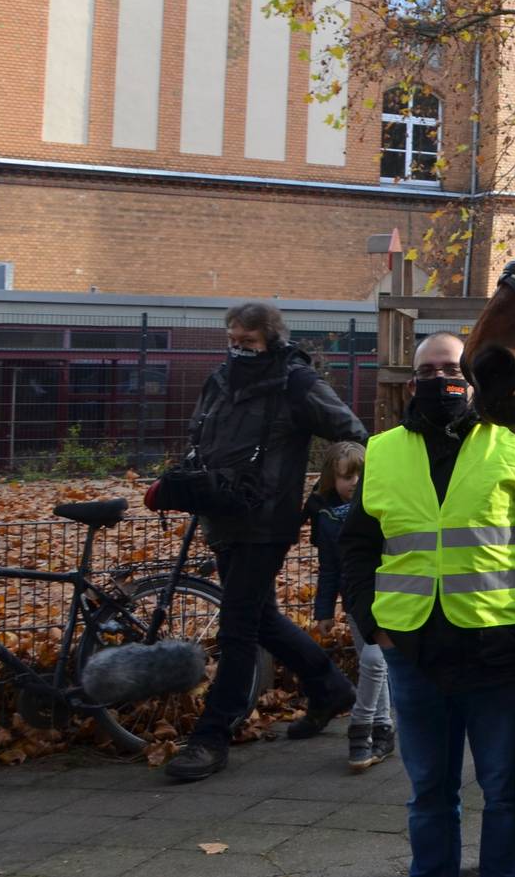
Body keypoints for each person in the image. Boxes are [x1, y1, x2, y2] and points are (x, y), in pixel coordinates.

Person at [340, 333, 515, 877]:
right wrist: (369, 619)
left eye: (451, 368)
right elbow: (356, 545)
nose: (438, 379)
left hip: (501, 650)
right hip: (414, 651)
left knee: (502, 793)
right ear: (412, 383)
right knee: (429, 793)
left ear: (472, 378)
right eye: (427, 371)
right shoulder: (381, 452)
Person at [165, 301, 368, 783]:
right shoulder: (218, 381)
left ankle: (213, 735)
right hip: (221, 514)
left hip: (265, 523)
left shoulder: (296, 383)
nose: (239, 351)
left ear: (271, 340)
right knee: (259, 616)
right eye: (233, 341)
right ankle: (329, 688)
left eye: (249, 343)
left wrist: (330, 490)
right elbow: (202, 437)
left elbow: (353, 431)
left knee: (237, 628)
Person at [305, 441, 396, 772]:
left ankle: (360, 726)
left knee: (374, 661)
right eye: (347, 476)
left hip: (386, 595)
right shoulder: (327, 517)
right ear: (332, 478)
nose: (355, 482)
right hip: (356, 600)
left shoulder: (380, 504)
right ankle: (383, 729)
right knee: (375, 665)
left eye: (360, 474)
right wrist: (324, 609)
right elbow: (329, 567)